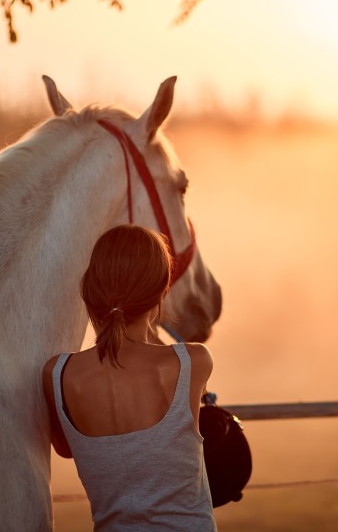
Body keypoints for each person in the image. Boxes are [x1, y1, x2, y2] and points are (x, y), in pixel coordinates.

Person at [42, 224, 217, 531]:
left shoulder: (58, 375)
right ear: (161, 290)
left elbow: (67, 449)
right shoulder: (191, 363)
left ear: (91, 290)